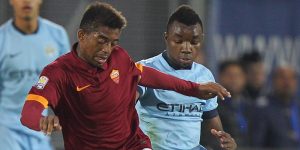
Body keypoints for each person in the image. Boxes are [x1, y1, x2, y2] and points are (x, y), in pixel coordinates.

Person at [20, 2, 230, 150]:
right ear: (82, 35)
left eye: (113, 42)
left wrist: (194, 88)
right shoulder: (58, 73)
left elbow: (149, 76)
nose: (107, 49)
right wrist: (41, 121)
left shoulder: (119, 57)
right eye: (102, 40)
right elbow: (28, 112)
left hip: (134, 145)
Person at [135, 5, 236, 150]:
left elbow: (216, 131)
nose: (187, 48)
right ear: (166, 37)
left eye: (194, 42)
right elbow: (123, 113)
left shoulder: (205, 75)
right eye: (179, 41)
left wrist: (226, 142)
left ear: (202, 40)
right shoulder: (144, 70)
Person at [0, 0, 70, 149]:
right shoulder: (2, 39)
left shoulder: (57, 35)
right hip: (6, 130)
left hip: (39, 130)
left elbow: (67, 85)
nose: (26, 1)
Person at [252, 65, 300, 148]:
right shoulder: (262, 108)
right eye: (282, 77)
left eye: (291, 78)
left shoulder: (297, 106)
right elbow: (257, 143)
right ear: (273, 80)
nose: (287, 82)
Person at [215, 60, 253, 147]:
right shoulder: (213, 107)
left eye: (238, 75)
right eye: (229, 75)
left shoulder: (252, 107)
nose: (234, 79)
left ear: (245, 78)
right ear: (220, 77)